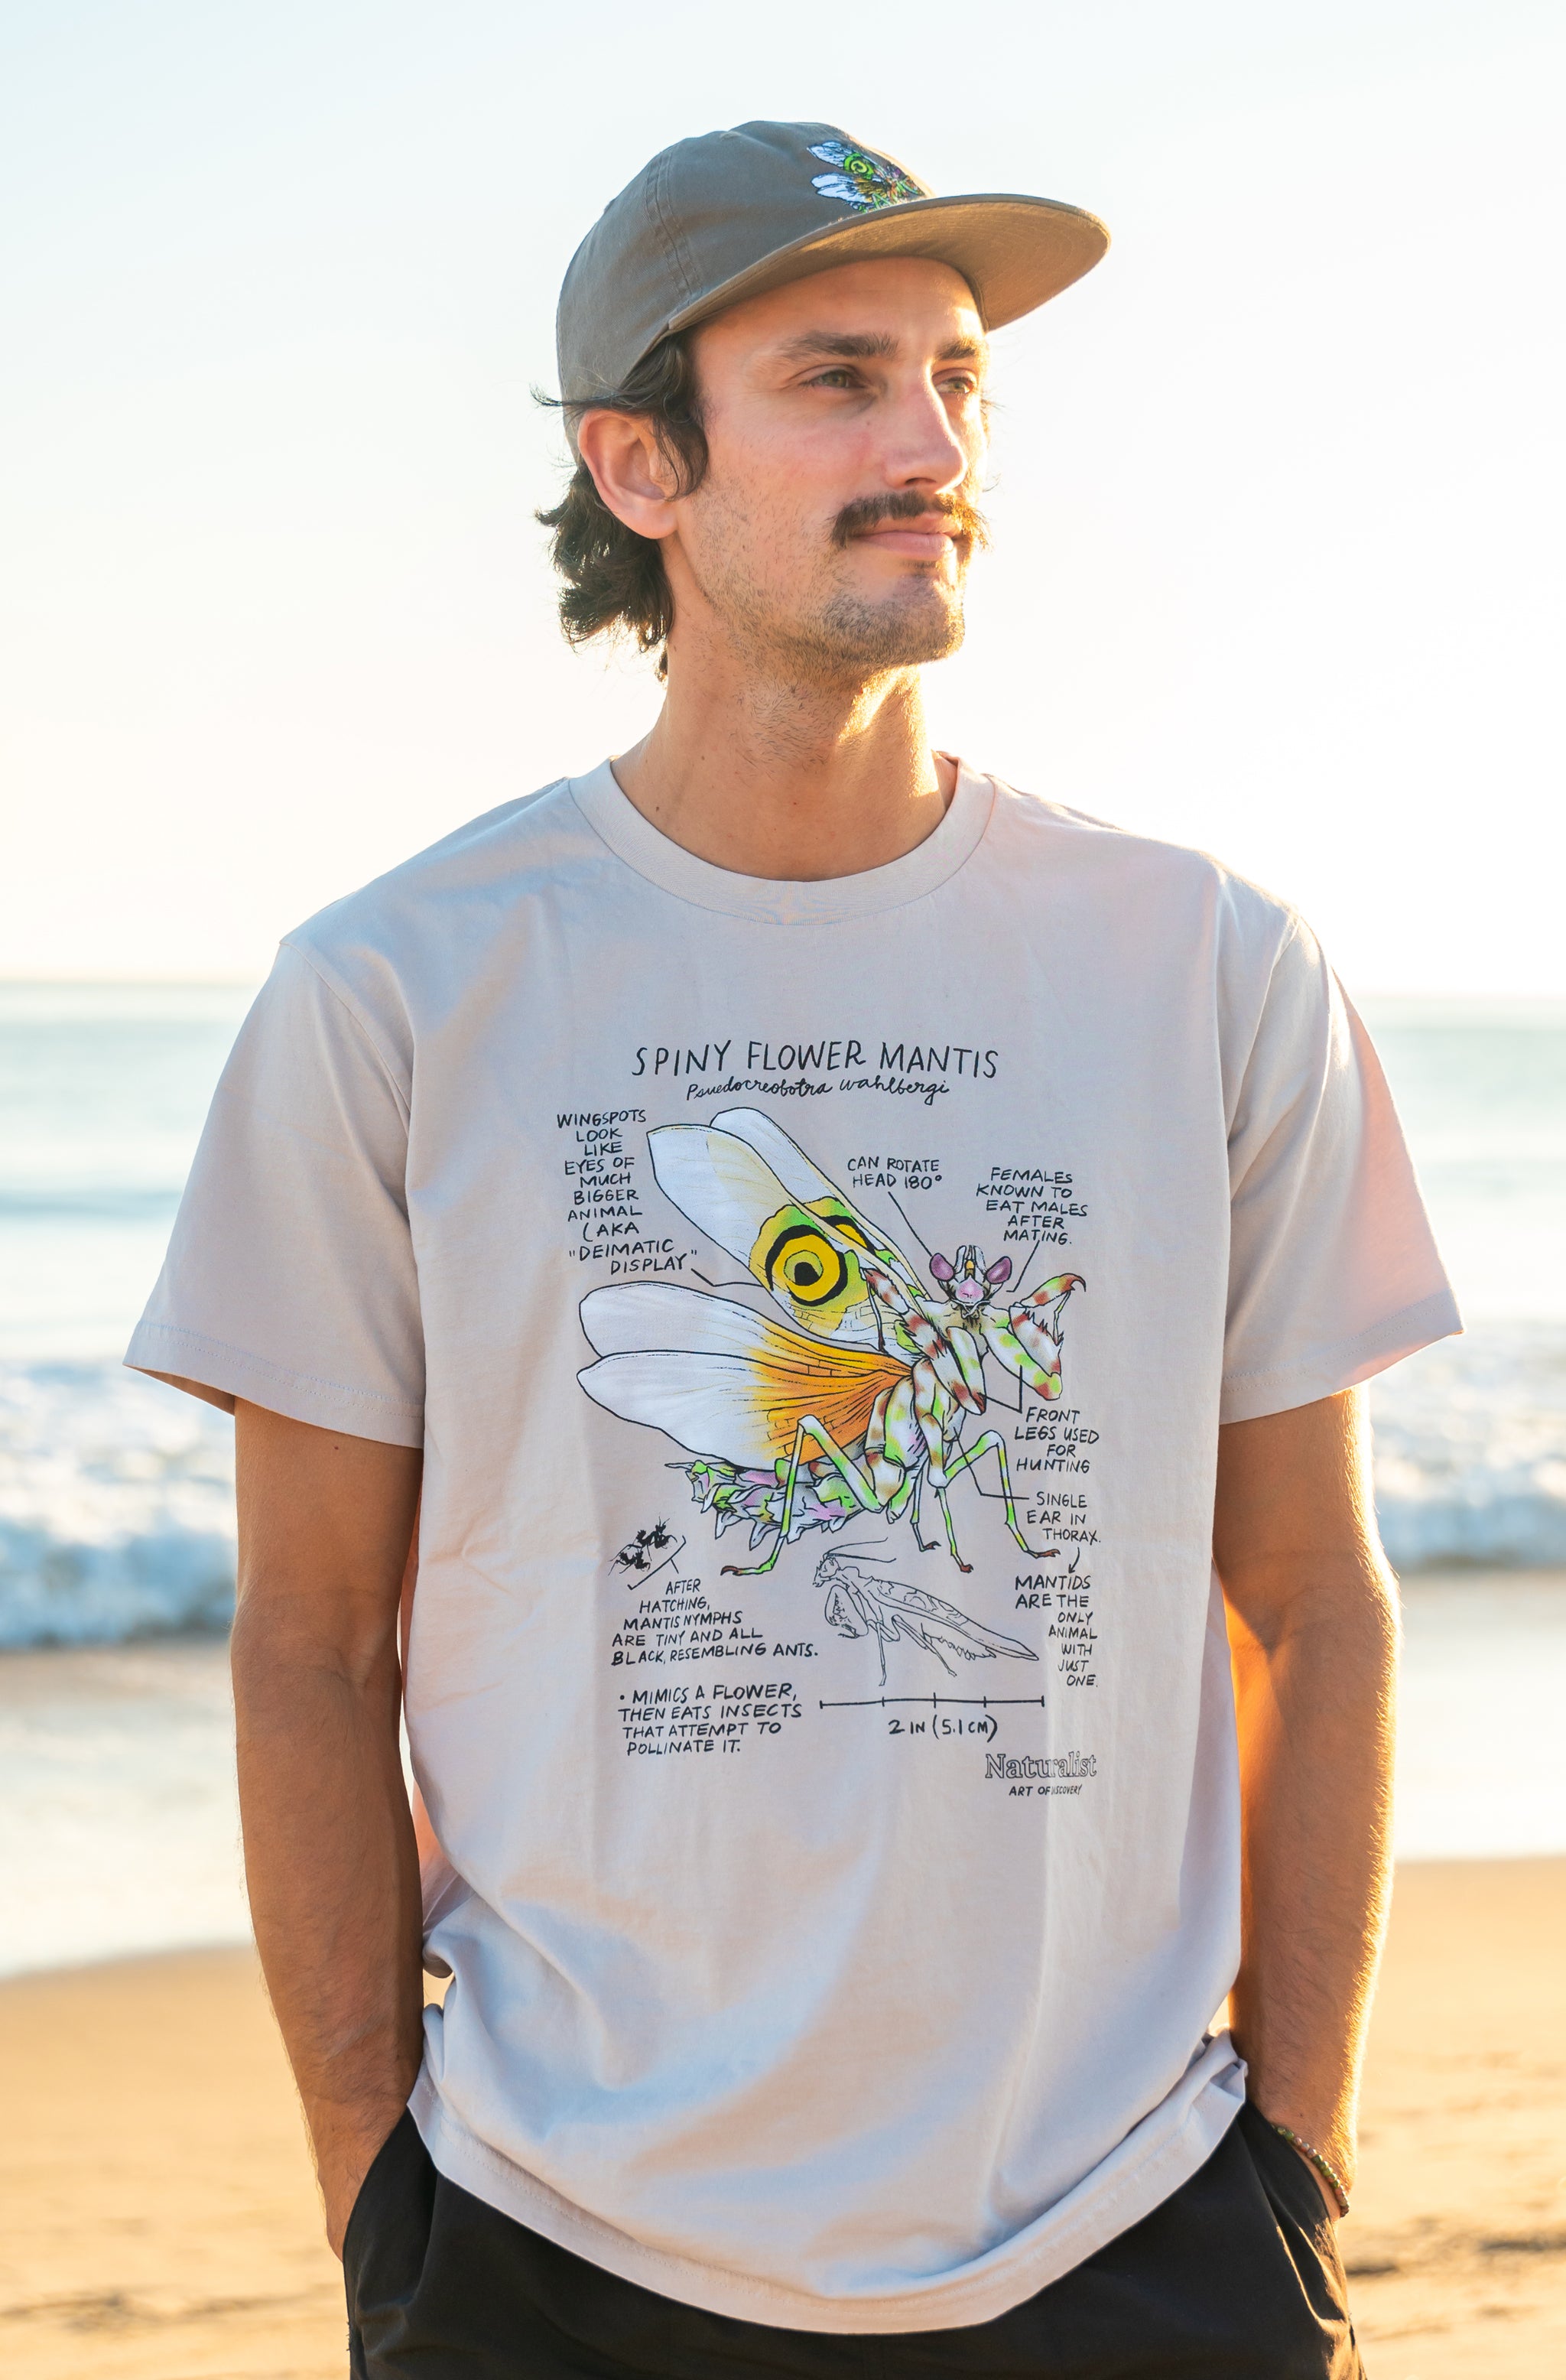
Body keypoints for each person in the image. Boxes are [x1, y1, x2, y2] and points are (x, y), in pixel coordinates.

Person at [128, 119, 1459, 2378]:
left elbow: (1314, 1601)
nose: (932, 443)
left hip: (1128, 2223)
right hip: (559, 2242)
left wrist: (1293, 2159)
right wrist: (383, 2203)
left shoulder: (1205, 964)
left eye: (958, 381)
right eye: (841, 378)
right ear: (638, 465)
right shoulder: (397, 992)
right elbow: (311, 1645)